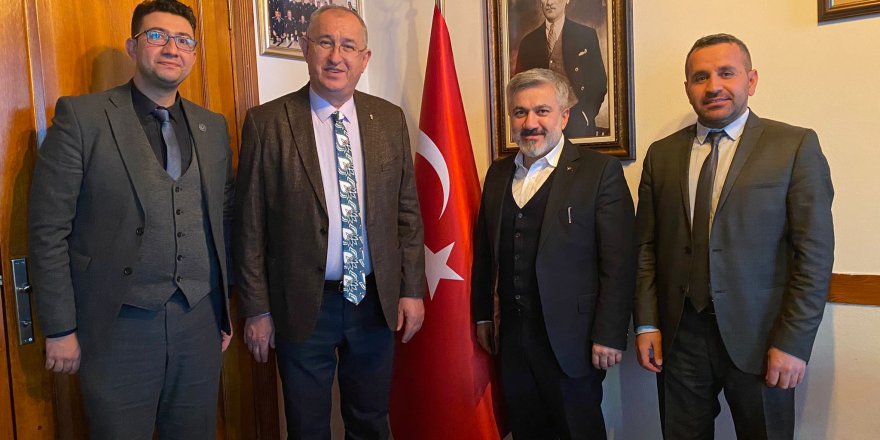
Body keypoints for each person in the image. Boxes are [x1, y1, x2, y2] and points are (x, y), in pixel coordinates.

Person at [28, 0, 234, 438]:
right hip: (117, 326)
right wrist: (60, 327)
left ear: (193, 53)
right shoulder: (82, 118)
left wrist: (225, 311)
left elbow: (224, 219)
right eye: (157, 36)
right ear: (132, 46)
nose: (171, 48)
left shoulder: (212, 127)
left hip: (198, 322)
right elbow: (48, 230)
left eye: (184, 40)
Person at [233, 5, 425, 439]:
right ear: (305, 49)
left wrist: (412, 289)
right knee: (307, 427)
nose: (336, 56)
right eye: (325, 42)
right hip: (302, 304)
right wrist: (257, 308)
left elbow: (407, 214)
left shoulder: (389, 119)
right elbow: (249, 227)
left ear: (365, 58)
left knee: (371, 421)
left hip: (373, 302)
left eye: (348, 46)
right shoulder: (267, 123)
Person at [634, 33, 834, 439]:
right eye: (700, 77)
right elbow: (646, 249)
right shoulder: (661, 154)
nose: (713, 86)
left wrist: (793, 342)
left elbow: (813, 255)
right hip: (680, 338)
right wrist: (647, 323)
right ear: (688, 87)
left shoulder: (794, 146)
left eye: (726, 73)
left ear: (751, 80)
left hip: (763, 338)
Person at [471, 68, 635, 439]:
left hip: (574, 341)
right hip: (512, 341)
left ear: (563, 115)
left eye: (542, 111)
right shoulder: (497, 174)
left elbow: (619, 262)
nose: (530, 123)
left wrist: (610, 334)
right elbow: (485, 254)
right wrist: (482, 316)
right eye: (520, 112)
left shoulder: (600, 172)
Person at [515, 0, 607, 139]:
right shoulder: (528, 42)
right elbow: (520, 89)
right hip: (540, 125)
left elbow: (599, 82)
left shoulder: (586, 35)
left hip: (578, 123)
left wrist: (586, 115)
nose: (549, 2)